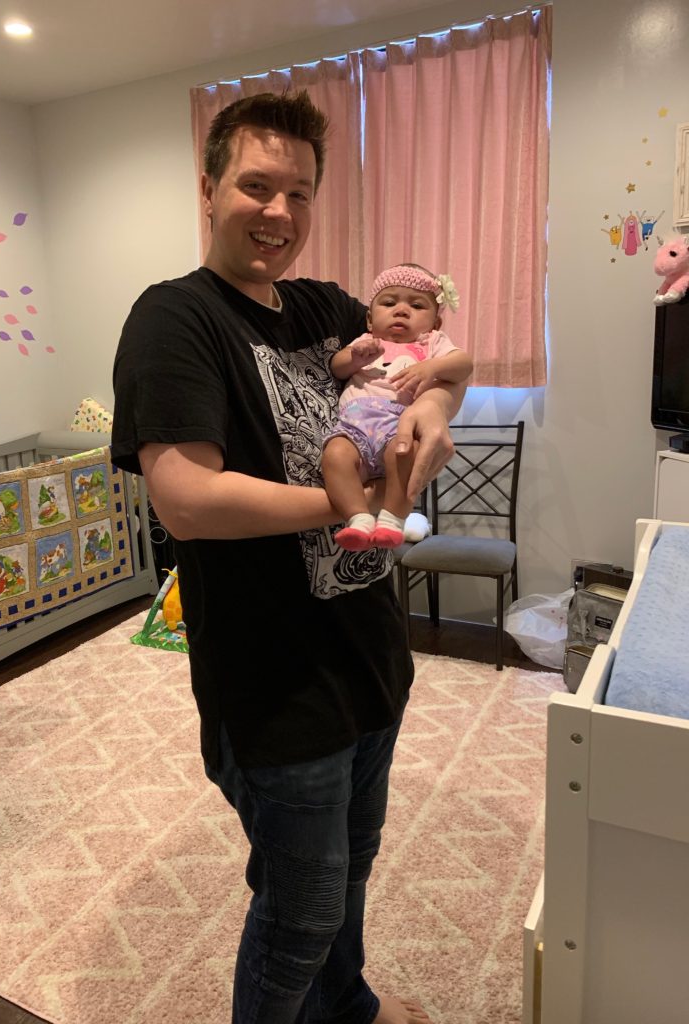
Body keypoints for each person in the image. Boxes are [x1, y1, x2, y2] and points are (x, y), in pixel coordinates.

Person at [111, 90, 467, 1024]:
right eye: (256, 186)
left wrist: (433, 412)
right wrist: (361, 506)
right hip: (274, 686)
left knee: (352, 869)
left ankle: (347, 1007)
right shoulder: (175, 320)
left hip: (371, 655)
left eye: (299, 193)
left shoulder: (322, 305)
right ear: (209, 189)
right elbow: (188, 501)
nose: (279, 212)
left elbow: (422, 358)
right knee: (300, 910)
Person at [323, 263, 472, 551]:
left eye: (417, 305)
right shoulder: (366, 342)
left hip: (399, 424)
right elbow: (337, 368)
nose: (401, 310)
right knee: (335, 455)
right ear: (369, 319)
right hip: (354, 424)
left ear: (436, 323)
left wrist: (433, 367)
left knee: (404, 454)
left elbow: (464, 364)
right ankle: (358, 519)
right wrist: (354, 358)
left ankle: (392, 521)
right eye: (389, 303)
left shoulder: (432, 343)